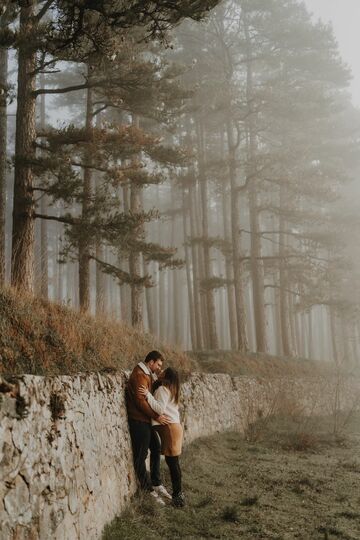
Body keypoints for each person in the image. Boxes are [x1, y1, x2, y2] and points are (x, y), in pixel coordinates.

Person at [126, 350, 172, 504]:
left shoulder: (147, 374)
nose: (159, 368)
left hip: (146, 420)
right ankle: (148, 490)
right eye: (158, 364)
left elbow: (149, 396)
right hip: (139, 421)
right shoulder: (139, 374)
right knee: (140, 456)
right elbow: (140, 402)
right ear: (150, 362)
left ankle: (156, 483)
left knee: (156, 447)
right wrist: (156, 416)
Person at [139, 367, 185, 508]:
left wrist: (147, 394)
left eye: (163, 371)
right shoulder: (171, 389)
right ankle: (178, 495)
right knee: (174, 463)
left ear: (167, 376)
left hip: (170, 428)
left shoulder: (163, 390)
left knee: (173, 464)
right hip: (174, 427)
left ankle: (178, 497)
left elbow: (159, 408)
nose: (160, 371)